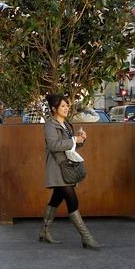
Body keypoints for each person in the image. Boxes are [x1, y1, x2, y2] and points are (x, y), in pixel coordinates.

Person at [39, 94, 101, 250]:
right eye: (62, 106)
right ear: (54, 109)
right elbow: (53, 145)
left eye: (67, 105)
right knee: (72, 200)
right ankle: (86, 237)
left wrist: (80, 140)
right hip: (57, 167)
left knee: (56, 198)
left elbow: (70, 148)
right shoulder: (50, 125)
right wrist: (74, 140)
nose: (66, 108)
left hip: (67, 167)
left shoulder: (66, 124)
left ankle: (44, 231)